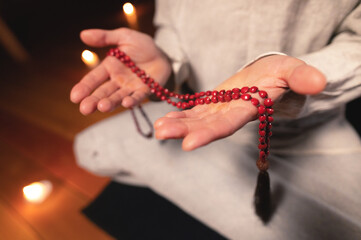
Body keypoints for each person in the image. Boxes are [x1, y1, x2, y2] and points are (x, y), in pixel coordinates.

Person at [70, 0, 361, 239]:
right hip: (201, 114)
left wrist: (304, 75)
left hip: (309, 136)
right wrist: (165, 60)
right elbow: (172, 22)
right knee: (89, 148)